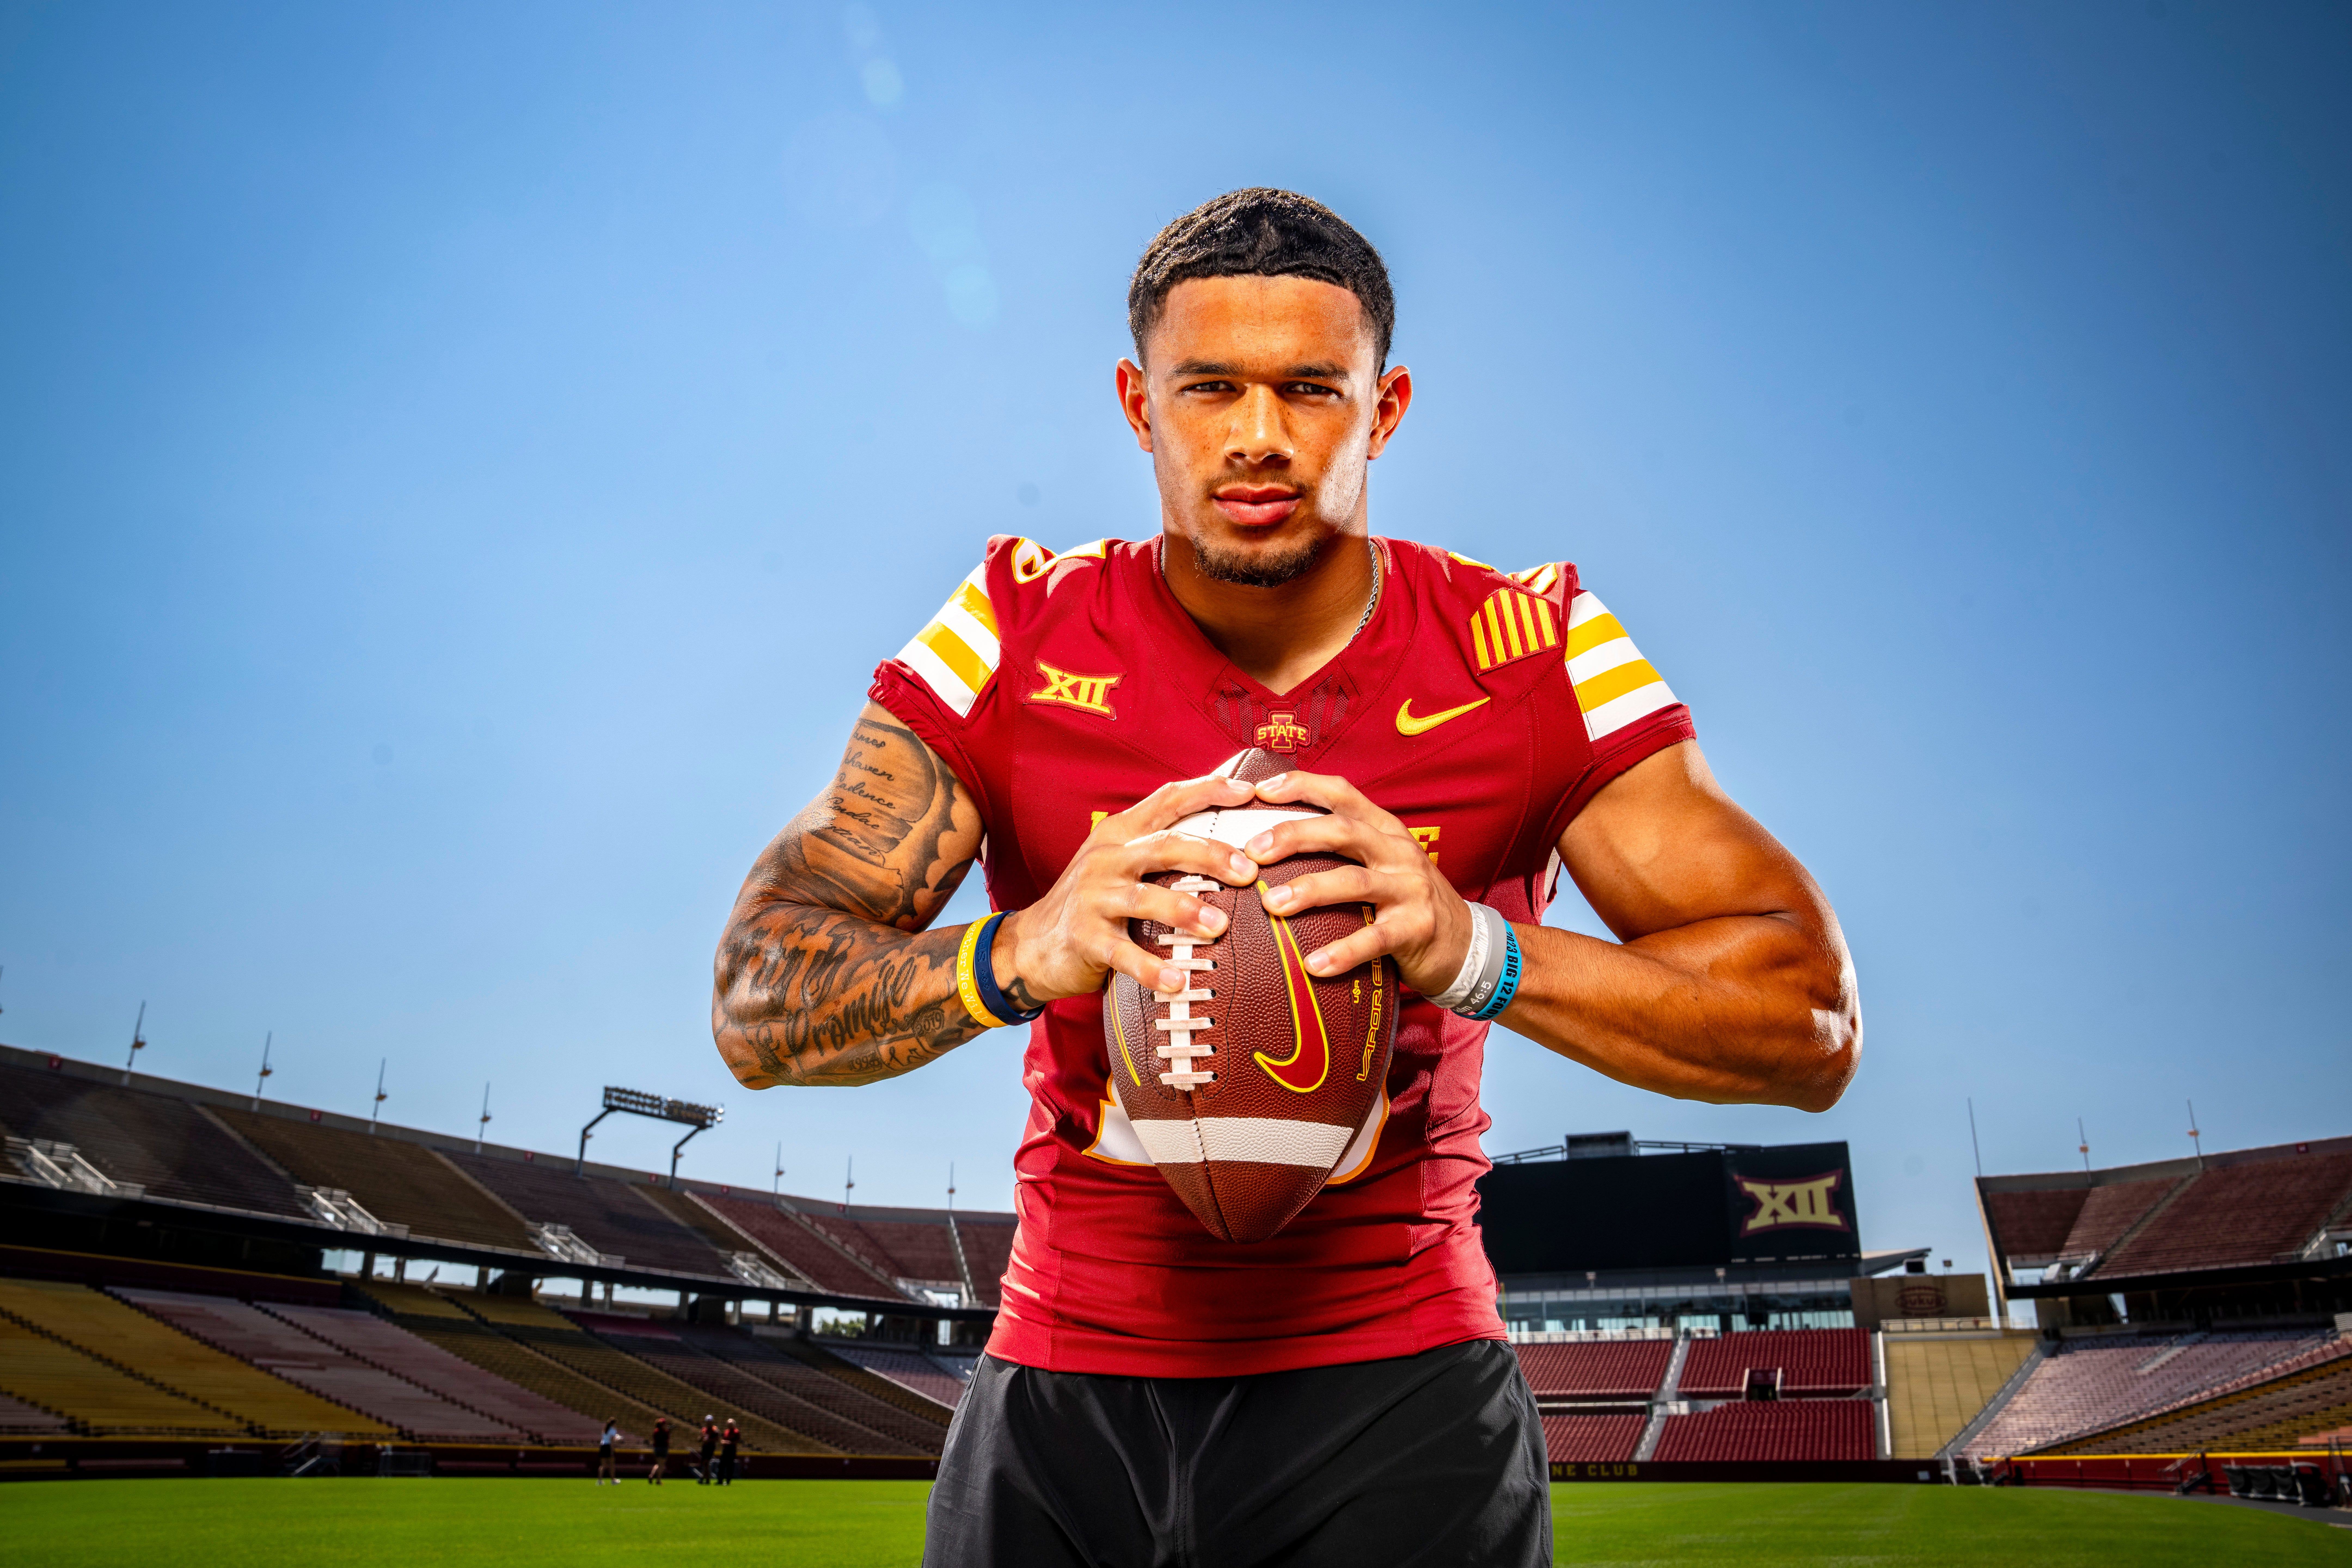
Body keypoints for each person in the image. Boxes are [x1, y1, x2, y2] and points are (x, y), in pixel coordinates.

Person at [712, 188, 1861, 1567]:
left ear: (1385, 411)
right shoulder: (1014, 624)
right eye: (1212, 390)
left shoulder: (1533, 642)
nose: (1260, 435)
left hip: (1401, 1397)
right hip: (1062, 1389)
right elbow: (756, 1000)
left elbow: (1810, 1024)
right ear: (1141, 406)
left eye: (1312, 389)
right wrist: (1017, 950)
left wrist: (1476, 951)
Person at [717, 1418, 741, 1486]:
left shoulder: (736, 1432)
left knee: (730, 1466)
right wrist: (724, 1442)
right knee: (722, 1465)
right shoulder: (726, 1431)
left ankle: (728, 1480)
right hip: (725, 1450)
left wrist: (730, 1443)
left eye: (731, 1424)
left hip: (732, 1451)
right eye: (728, 1424)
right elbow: (724, 1440)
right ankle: (720, 1481)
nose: (729, 1425)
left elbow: (738, 1441)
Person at [696, 1414, 718, 1484]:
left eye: (710, 1421)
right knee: (706, 1464)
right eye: (708, 1421)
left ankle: (702, 1477)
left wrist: (709, 1441)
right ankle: (708, 1480)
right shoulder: (704, 1430)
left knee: (707, 1463)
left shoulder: (715, 1430)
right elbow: (699, 1439)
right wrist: (701, 1438)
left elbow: (717, 1439)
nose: (709, 1423)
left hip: (711, 1448)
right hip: (705, 1448)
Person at [647, 1416, 669, 1485]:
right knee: (661, 1465)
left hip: (657, 1449)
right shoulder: (665, 1432)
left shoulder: (656, 1431)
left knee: (658, 1464)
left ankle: (652, 1475)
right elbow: (667, 1439)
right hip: (663, 1449)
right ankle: (658, 1481)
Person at [596, 1418, 617, 1485]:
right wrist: (612, 1451)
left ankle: (600, 1481)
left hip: (603, 1447)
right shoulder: (613, 1430)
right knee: (612, 1465)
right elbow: (611, 1441)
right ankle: (613, 1480)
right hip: (608, 1447)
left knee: (603, 1465)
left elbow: (604, 1439)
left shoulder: (605, 1430)